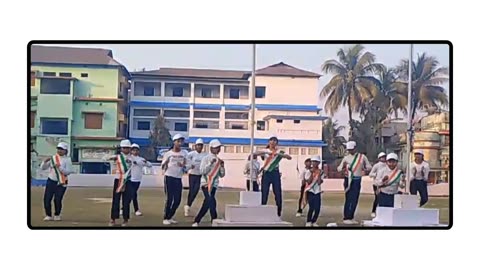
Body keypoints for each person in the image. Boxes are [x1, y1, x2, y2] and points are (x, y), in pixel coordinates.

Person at [254, 136, 292, 217]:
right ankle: (262, 209)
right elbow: (255, 153)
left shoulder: (279, 151)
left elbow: (289, 157)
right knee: (264, 192)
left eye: (275, 142)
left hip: (275, 173)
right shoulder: (265, 150)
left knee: (277, 192)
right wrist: (267, 153)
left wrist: (279, 154)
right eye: (271, 142)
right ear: (269, 142)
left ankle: (278, 212)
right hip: (267, 173)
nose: (273, 143)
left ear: (277, 143)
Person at [192, 139, 226, 227]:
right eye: (216, 148)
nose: (218, 150)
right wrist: (210, 164)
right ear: (211, 148)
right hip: (205, 183)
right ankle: (213, 219)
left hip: (214, 184)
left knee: (208, 202)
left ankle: (198, 220)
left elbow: (222, 175)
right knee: (211, 201)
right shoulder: (206, 158)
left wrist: (222, 167)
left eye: (219, 148)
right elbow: (202, 171)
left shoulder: (219, 160)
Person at [337, 141, 372, 224]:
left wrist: (365, 169)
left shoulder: (362, 157)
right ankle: (346, 217)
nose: (350, 151)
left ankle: (351, 216)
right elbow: (339, 168)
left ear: (355, 148)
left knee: (355, 199)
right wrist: (343, 168)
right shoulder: (346, 158)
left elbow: (369, 167)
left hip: (357, 180)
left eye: (351, 149)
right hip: (348, 180)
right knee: (348, 198)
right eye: (349, 150)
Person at [40, 142, 73, 221]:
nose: (59, 151)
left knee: (58, 199)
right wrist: (44, 162)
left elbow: (68, 172)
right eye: (58, 149)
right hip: (51, 180)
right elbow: (43, 168)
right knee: (47, 198)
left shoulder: (67, 160)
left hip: (62, 182)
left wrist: (60, 167)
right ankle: (48, 215)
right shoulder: (53, 158)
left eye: (61, 149)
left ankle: (57, 214)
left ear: (65, 150)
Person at [162, 134, 187, 225]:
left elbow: (186, 166)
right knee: (169, 198)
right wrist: (166, 162)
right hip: (169, 177)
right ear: (174, 142)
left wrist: (184, 166)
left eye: (181, 141)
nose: (180, 143)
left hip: (178, 178)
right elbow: (163, 166)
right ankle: (165, 217)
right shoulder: (168, 154)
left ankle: (170, 216)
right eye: (178, 141)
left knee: (178, 200)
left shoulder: (184, 153)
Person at [107, 139, 133, 227]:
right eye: (124, 148)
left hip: (128, 181)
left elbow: (143, 162)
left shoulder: (132, 158)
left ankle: (125, 219)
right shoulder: (117, 157)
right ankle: (113, 218)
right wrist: (112, 157)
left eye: (128, 148)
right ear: (121, 148)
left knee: (126, 201)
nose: (126, 150)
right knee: (116, 200)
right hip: (118, 179)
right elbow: (105, 158)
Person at [184, 138, 207, 216]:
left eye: (201, 145)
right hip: (192, 174)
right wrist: (190, 165)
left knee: (196, 190)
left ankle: (188, 205)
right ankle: (187, 206)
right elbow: (186, 160)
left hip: (200, 175)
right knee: (192, 191)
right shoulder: (191, 154)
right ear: (195, 146)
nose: (199, 147)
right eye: (198, 145)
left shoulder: (205, 155)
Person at [129, 143, 152, 216]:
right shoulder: (129, 158)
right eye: (133, 150)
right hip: (129, 179)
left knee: (132, 194)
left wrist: (146, 162)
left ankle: (125, 208)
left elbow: (149, 165)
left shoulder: (141, 159)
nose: (135, 152)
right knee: (132, 194)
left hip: (137, 180)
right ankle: (135, 209)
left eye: (136, 150)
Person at [303, 156, 324, 227]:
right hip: (310, 191)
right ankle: (308, 221)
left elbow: (319, 182)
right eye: (313, 161)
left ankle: (314, 221)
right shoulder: (308, 171)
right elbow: (308, 182)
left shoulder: (321, 171)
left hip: (317, 191)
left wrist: (319, 174)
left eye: (315, 162)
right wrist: (312, 173)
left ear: (318, 163)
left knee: (317, 208)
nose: (314, 163)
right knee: (311, 207)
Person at [369, 152, 387, 217]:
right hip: (376, 184)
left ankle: (382, 211)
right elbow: (370, 174)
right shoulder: (376, 165)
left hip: (385, 184)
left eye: (384, 157)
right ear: (379, 158)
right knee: (377, 198)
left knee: (384, 197)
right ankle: (373, 211)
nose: (384, 158)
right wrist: (376, 174)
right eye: (382, 157)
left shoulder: (387, 165)